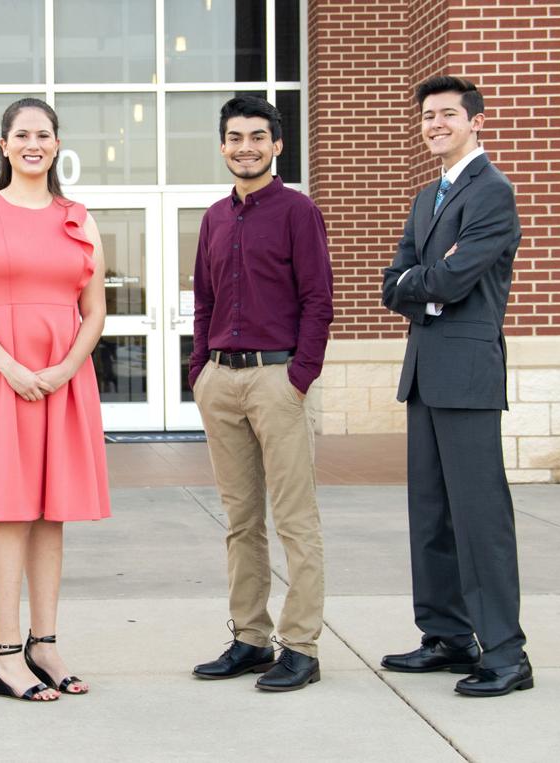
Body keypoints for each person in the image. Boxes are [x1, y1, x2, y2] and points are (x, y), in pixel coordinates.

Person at [0, 98, 110, 702]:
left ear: (57, 144)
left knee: (51, 512)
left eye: (44, 133)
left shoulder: (78, 217)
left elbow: (95, 312)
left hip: (64, 378)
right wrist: (12, 367)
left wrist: (64, 367)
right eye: (21, 134)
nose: (33, 142)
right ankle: (4, 651)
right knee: (9, 508)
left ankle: (46, 643)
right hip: (0, 372)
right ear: (4, 146)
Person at [381, 76, 530, 697]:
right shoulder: (428, 196)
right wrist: (426, 282)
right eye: (428, 115)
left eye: (447, 114)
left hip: (467, 375)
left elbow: (451, 281)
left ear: (475, 121)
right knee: (432, 515)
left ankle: (505, 654)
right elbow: (396, 282)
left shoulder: (491, 192)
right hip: (425, 374)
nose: (435, 123)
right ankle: (447, 636)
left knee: (479, 517)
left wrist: (427, 283)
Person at [188, 95, 334, 692]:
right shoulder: (214, 219)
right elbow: (203, 301)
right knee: (241, 520)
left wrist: (299, 376)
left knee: (296, 520)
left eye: (256, 136)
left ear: (277, 145)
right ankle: (250, 638)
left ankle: (301, 645)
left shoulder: (298, 212)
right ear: (223, 146)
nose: (244, 146)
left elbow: (318, 301)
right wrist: (200, 369)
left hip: (278, 380)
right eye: (234, 137)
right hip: (221, 382)